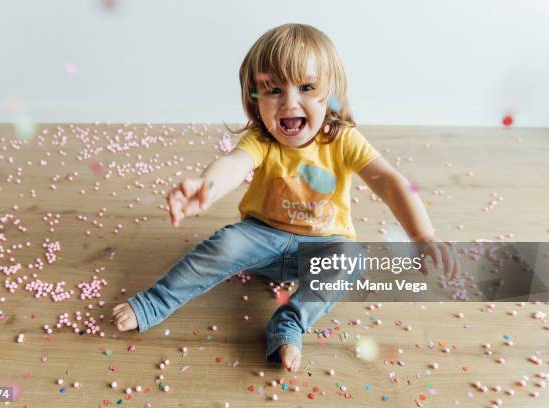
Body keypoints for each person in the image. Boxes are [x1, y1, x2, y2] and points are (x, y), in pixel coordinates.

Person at [113, 23, 459, 372]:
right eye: (274, 90)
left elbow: (387, 180)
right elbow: (234, 165)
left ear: (331, 93)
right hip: (261, 240)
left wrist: (422, 235)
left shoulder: (342, 139)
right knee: (224, 245)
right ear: (254, 97)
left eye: (307, 87)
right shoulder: (261, 140)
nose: (290, 102)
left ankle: (289, 323)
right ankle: (154, 303)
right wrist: (206, 186)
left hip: (320, 249)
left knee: (351, 258)